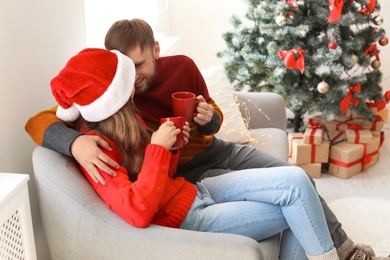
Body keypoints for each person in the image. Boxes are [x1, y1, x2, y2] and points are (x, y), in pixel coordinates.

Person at [25, 19, 386, 259]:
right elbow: (45, 118)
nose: (134, 77)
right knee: (291, 198)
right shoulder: (114, 97)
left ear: (156, 51)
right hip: (191, 176)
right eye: (125, 67)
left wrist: (209, 119)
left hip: (218, 152)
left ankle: (345, 248)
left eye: (140, 65)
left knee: (297, 179)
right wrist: (73, 143)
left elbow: (212, 113)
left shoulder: (182, 66)